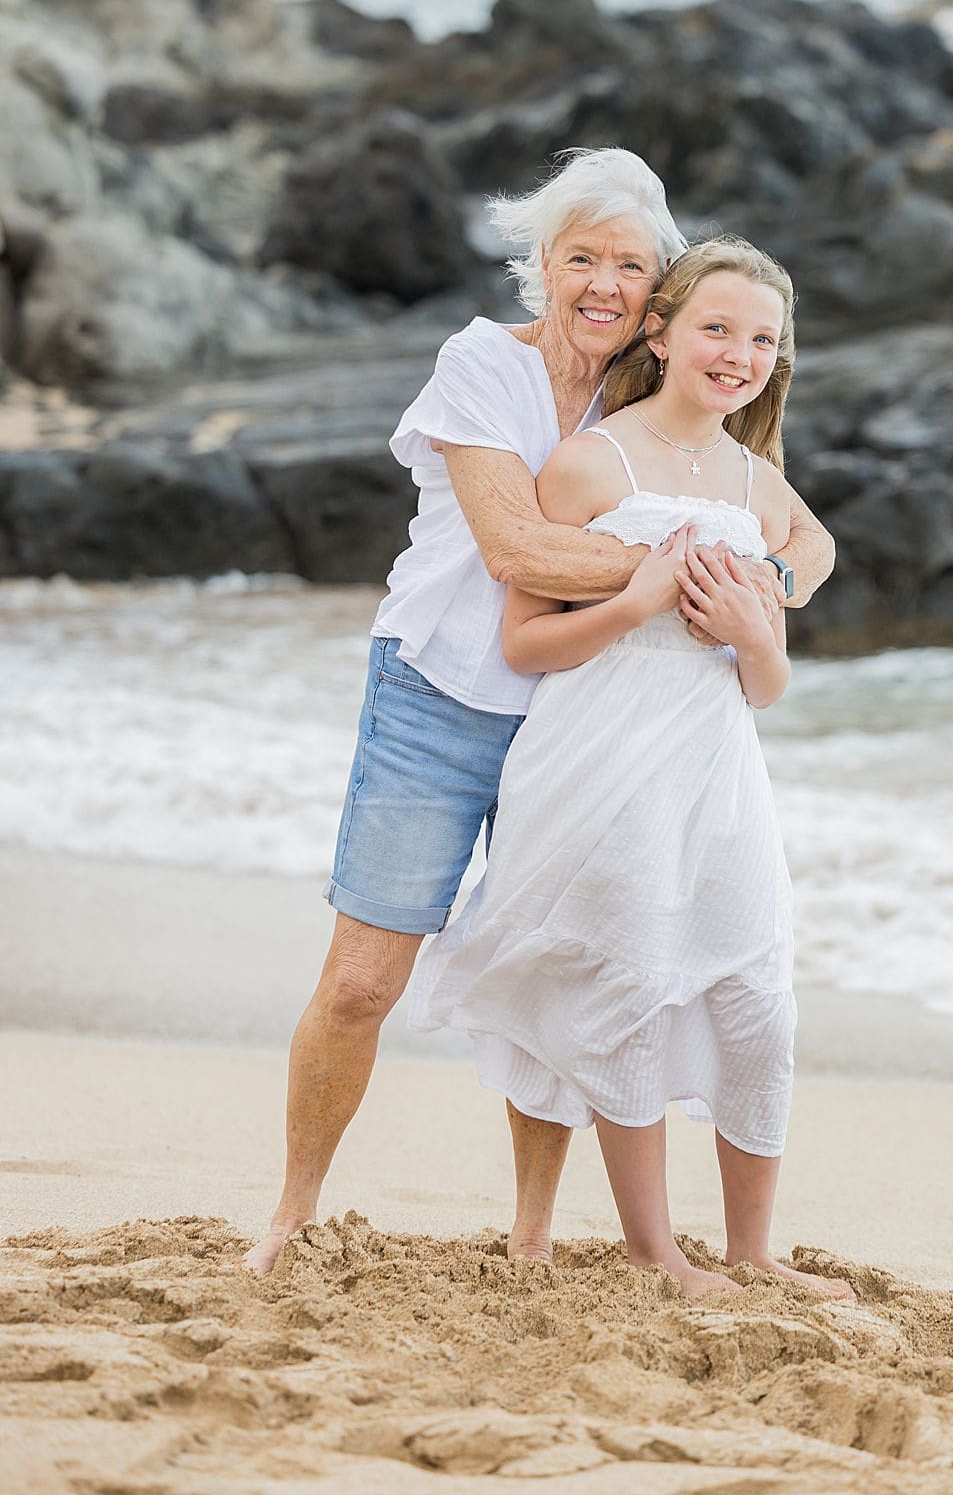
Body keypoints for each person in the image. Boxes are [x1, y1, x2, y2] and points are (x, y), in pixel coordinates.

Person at [244, 153, 836, 1277]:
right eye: (581, 259)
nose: (603, 284)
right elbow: (515, 550)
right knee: (367, 978)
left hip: (583, 727)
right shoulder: (481, 368)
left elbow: (797, 524)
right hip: (443, 697)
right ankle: (294, 1209)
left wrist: (773, 592)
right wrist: (672, 568)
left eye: (628, 264)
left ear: (657, 294)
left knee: (565, 967)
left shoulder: (650, 389)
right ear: (543, 269)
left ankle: (532, 1231)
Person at [408, 237, 855, 1303]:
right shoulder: (590, 463)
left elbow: (770, 680)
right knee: (632, 987)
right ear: (659, 332)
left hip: (718, 771)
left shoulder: (759, 481)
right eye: (717, 328)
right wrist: (633, 604)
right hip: (600, 759)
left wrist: (759, 627)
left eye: (761, 339)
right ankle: (657, 1255)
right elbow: (525, 644)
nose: (738, 354)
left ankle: (751, 1251)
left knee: (759, 1000)